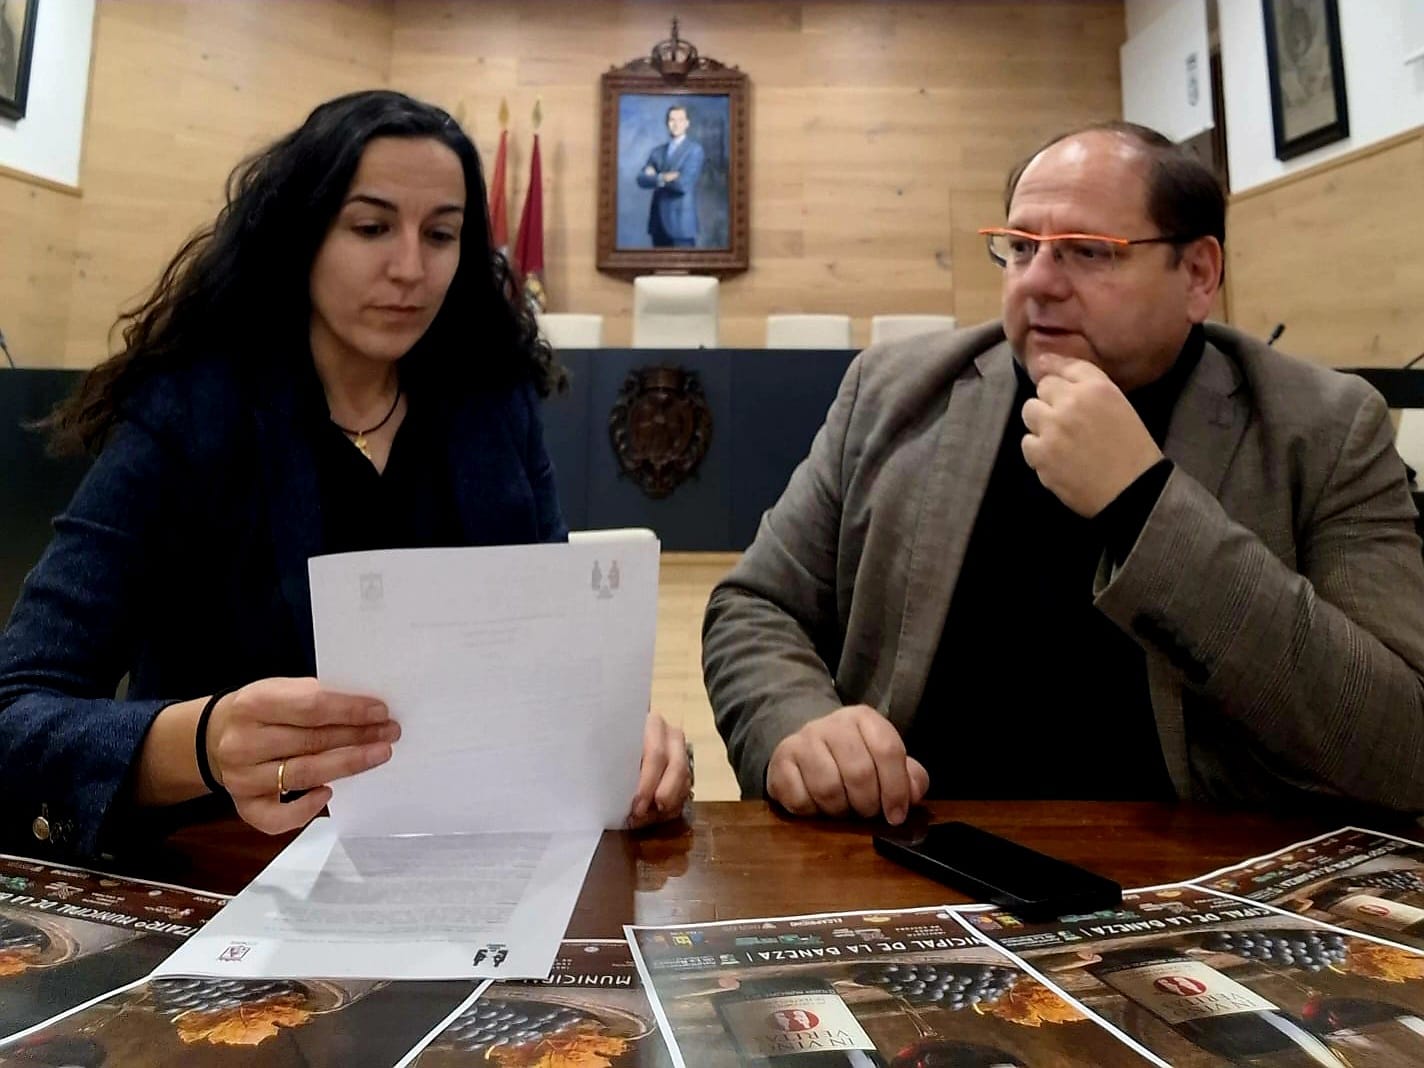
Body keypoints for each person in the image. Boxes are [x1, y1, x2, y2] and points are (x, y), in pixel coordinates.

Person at [0, 90, 691, 862]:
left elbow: (552, 658)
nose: (410, 268)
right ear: (301, 232)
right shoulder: (189, 414)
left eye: (441, 235)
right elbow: (14, 714)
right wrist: (202, 743)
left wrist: (622, 735)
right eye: (371, 228)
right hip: (226, 870)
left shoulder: (494, 406)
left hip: (469, 860)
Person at [703, 121, 1424, 825]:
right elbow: (755, 606)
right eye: (1021, 247)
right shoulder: (892, 393)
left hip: (1190, 876)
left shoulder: (1323, 430)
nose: (1039, 283)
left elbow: (1402, 746)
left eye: (1088, 251)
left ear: (1198, 275)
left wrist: (1144, 504)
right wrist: (796, 724)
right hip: (909, 849)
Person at [636, 105, 704, 248]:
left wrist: (655, 178)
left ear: (687, 123)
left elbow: (682, 185)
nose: (676, 124)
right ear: (667, 123)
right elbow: (641, 179)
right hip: (657, 224)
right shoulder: (657, 152)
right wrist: (664, 177)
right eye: (672, 120)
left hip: (681, 226)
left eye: (680, 120)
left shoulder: (695, 150)